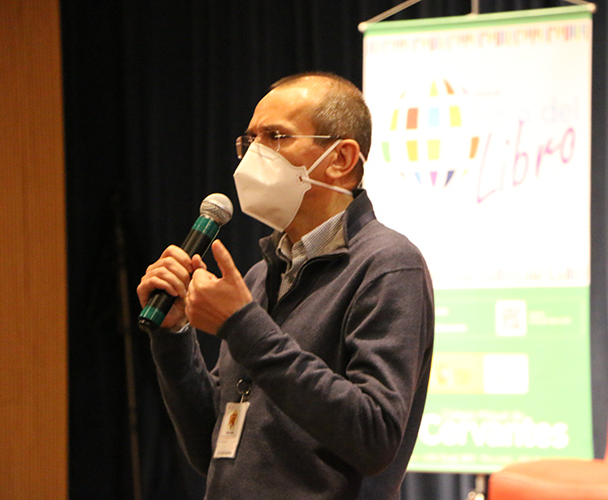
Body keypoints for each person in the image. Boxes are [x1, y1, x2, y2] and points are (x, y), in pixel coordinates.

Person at [137, 72, 434, 500]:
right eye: (250, 140)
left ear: (341, 158)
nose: (254, 155)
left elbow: (374, 436)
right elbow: (209, 447)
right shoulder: (261, 277)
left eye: (275, 137)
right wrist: (174, 334)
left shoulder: (388, 265)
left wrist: (242, 325)